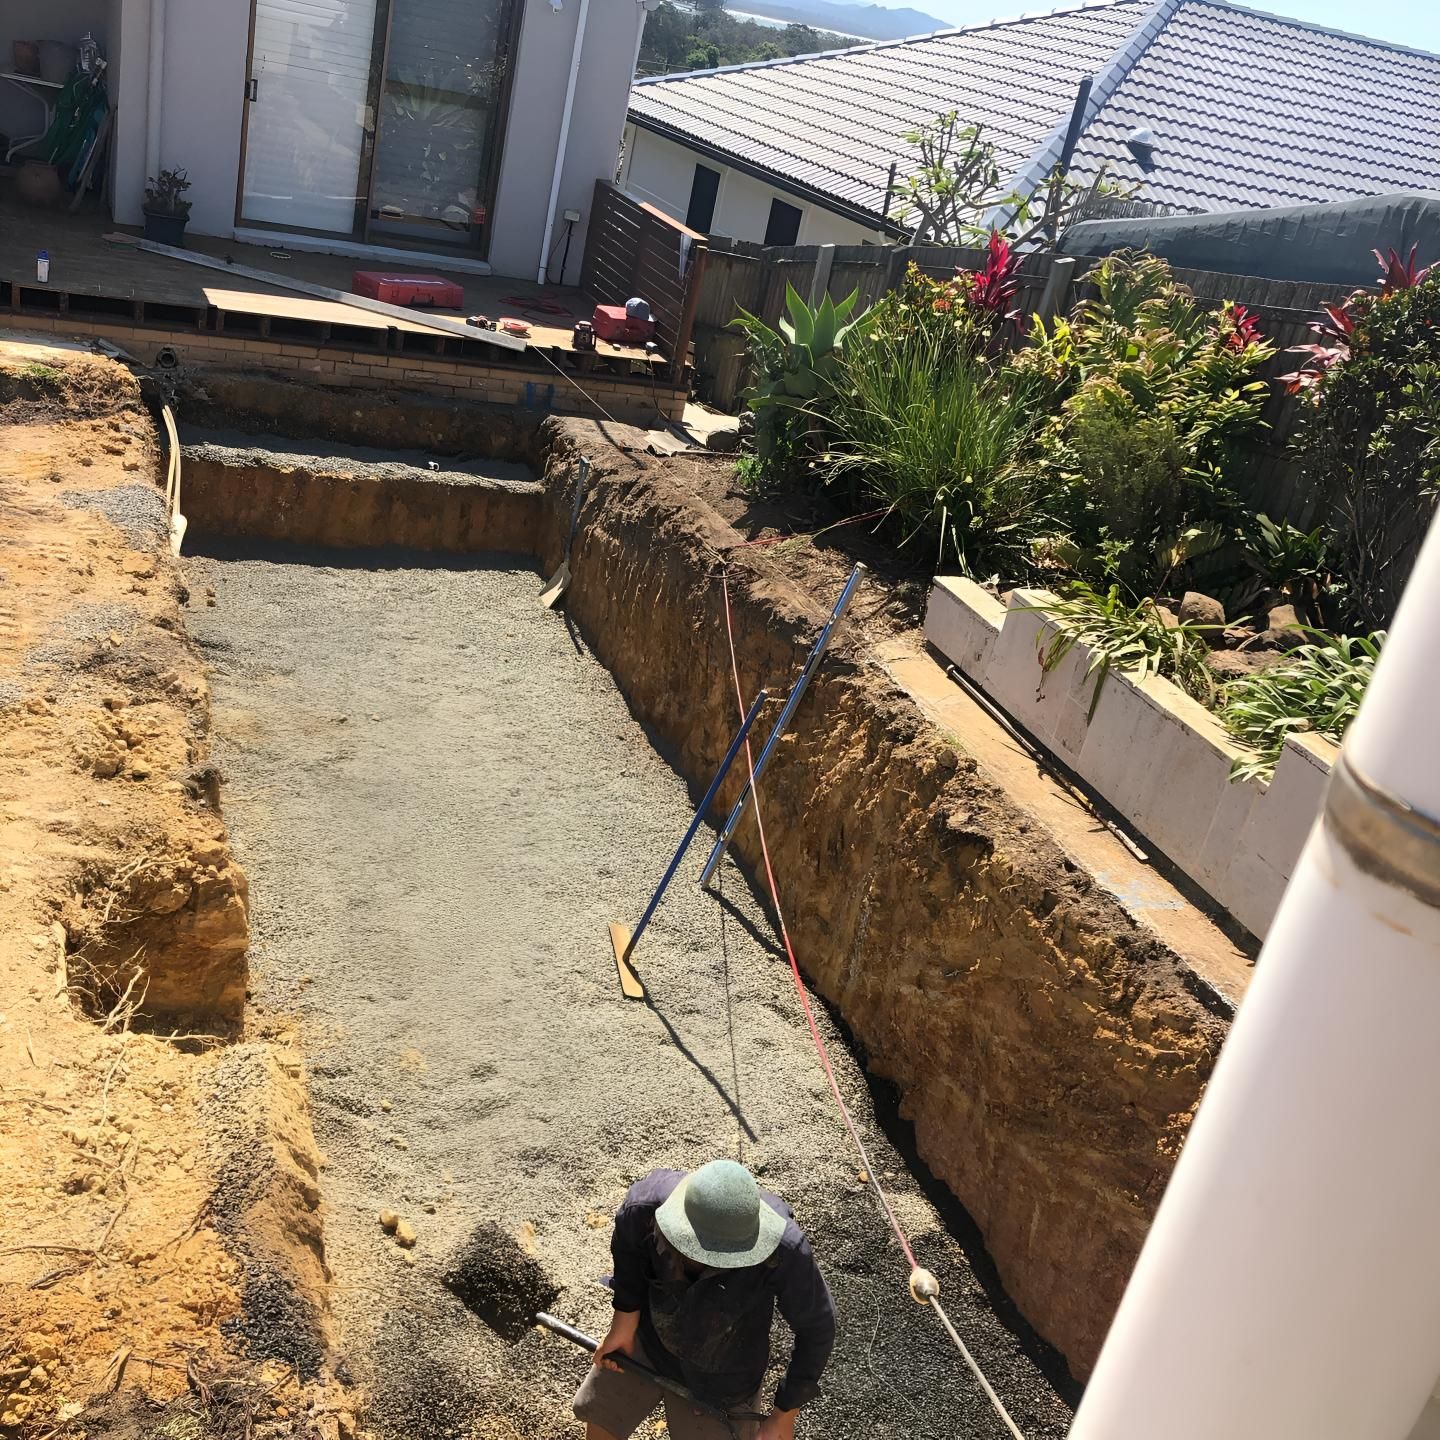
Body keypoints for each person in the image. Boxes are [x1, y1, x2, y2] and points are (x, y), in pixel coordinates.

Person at [573, 1160, 836, 1440]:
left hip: (726, 1369)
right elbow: (627, 1252)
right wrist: (623, 1322)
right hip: (648, 1339)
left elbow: (817, 1328)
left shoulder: (785, 1251)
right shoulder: (645, 1207)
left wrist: (784, 1414)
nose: (704, 1262)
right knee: (599, 1416)